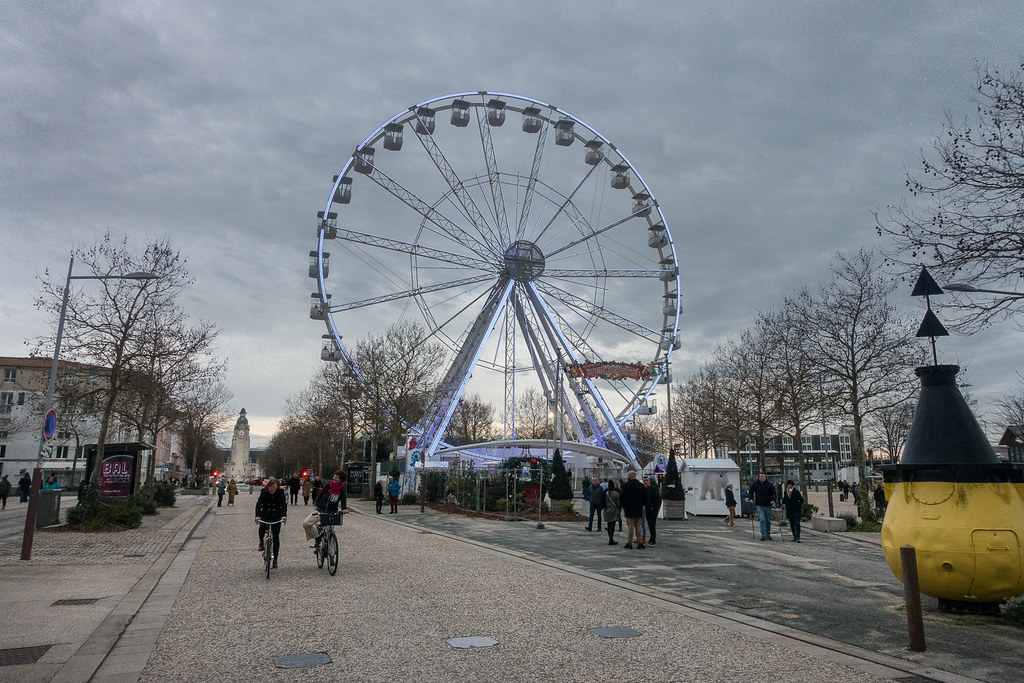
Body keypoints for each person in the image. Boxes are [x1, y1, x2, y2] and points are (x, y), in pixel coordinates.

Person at [303, 470, 349, 543]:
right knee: (306, 523)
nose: (334, 478)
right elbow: (320, 495)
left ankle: (330, 549)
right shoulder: (328, 486)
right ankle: (317, 536)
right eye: (334, 476)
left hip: (331, 512)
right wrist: (316, 504)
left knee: (329, 532)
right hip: (320, 510)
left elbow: (343, 499)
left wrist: (344, 508)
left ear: (341, 479)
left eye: (336, 477)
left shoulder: (341, 490)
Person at [255, 478, 287, 569]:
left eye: (273, 487)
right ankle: (261, 541)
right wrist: (257, 516)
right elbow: (258, 505)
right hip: (265, 515)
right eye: (270, 487)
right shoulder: (264, 492)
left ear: (277, 487)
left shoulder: (280, 493)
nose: (271, 489)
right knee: (262, 528)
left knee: (276, 537)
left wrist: (283, 515)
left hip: (276, 516)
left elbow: (283, 505)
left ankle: (275, 559)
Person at [619, 470, 646, 549]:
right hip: (638, 509)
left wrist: (624, 506)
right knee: (638, 526)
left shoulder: (626, 485)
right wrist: (642, 505)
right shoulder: (641, 486)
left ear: (630, 476)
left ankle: (629, 543)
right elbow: (645, 497)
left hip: (629, 509)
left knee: (630, 526)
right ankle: (640, 543)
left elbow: (621, 498)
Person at [749, 472, 776, 541]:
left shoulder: (769, 484)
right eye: (761, 476)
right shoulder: (755, 484)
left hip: (768, 504)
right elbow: (751, 492)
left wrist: (773, 500)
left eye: (764, 476)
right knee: (762, 519)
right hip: (759, 504)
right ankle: (763, 535)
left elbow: (773, 493)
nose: (763, 478)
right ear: (758, 477)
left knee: (768, 520)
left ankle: (768, 534)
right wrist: (751, 498)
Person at [643, 475, 661, 546]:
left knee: (652, 524)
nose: (645, 482)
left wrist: (654, 507)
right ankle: (651, 539)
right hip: (646, 509)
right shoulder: (644, 489)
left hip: (653, 510)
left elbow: (657, 499)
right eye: (644, 481)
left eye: (647, 480)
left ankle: (653, 540)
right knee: (649, 524)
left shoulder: (653, 489)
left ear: (649, 481)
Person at [604, 479, 621, 546]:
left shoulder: (605, 493)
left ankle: (610, 538)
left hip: (606, 510)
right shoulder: (616, 494)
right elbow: (618, 503)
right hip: (613, 510)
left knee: (609, 524)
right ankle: (611, 539)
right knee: (612, 525)